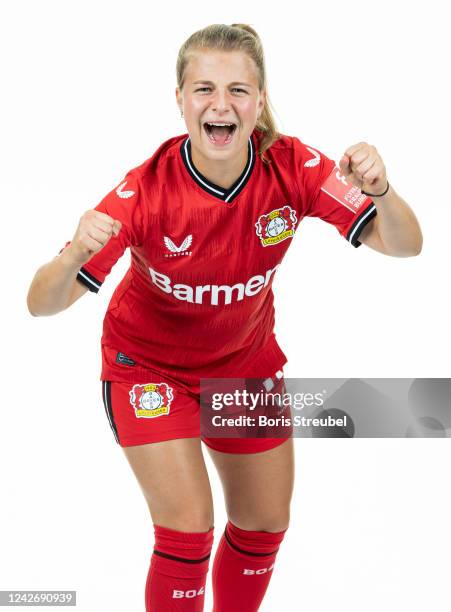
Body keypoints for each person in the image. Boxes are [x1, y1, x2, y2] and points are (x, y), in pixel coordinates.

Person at [26, 22, 423, 612]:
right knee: (187, 531)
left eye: (238, 90)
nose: (220, 103)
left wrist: (384, 191)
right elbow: (42, 303)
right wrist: (78, 251)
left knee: (264, 524)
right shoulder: (144, 192)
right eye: (203, 88)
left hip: (242, 366)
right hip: (149, 371)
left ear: (259, 102)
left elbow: (406, 245)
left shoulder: (294, 166)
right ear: (181, 101)